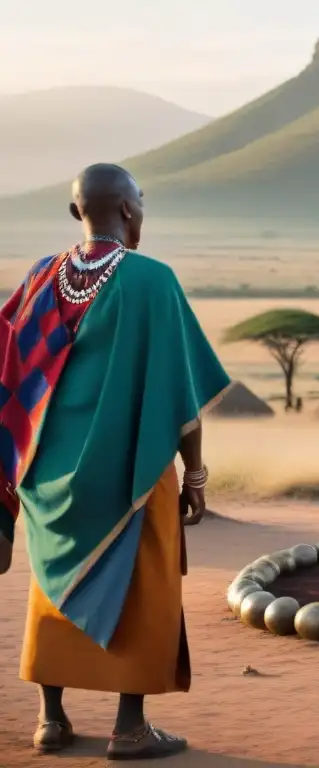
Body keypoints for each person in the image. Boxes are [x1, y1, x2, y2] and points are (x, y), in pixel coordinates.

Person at [0, 163, 231, 758]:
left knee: (53, 588)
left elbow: (10, 375)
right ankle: (129, 728)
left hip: (49, 478)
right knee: (144, 589)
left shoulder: (37, 280)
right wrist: (196, 476)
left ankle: (51, 721)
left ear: (77, 212)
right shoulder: (152, 281)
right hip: (131, 470)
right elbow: (181, 394)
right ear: (128, 211)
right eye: (142, 200)